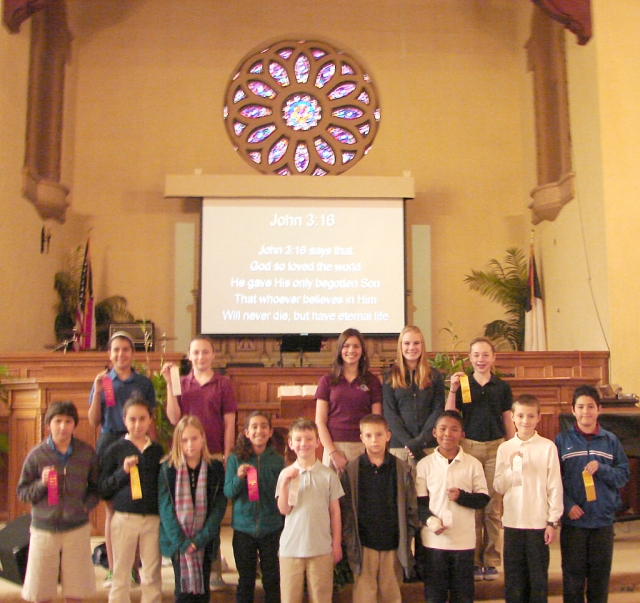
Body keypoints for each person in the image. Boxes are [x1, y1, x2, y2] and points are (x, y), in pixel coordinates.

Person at [162, 335, 237, 589]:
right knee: (189, 513)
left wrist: (227, 454)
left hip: (213, 456)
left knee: (210, 516)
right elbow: (174, 419)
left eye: (205, 352)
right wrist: (169, 386)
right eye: (196, 353)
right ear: (189, 355)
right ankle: (184, 559)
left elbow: (229, 422)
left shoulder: (223, 384)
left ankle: (213, 567)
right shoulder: (182, 382)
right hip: (186, 456)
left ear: (213, 355)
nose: (201, 357)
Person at [88, 330, 156, 587]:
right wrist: (96, 391)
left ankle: (134, 568)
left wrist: (152, 449)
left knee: (136, 506)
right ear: (109, 354)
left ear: (133, 353)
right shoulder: (104, 381)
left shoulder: (143, 383)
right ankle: (114, 568)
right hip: (109, 446)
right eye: (115, 350)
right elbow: (94, 421)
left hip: (136, 444)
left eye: (125, 349)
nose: (120, 354)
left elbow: (150, 421)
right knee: (112, 510)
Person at [445, 336, 514, 580]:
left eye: (486, 355)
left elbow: (507, 418)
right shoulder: (464, 384)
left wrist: (512, 446)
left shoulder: (502, 387)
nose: (481, 359)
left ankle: (492, 559)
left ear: (493, 358)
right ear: (470, 358)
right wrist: (452, 390)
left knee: (493, 508)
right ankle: (473, 560)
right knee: (473, 506)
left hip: (496, 448)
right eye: (476, 355)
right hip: (470, 448)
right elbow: (451, 414)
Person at [17, 401, 100, 603]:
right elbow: (22, 492)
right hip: (44, 529)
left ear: (74, 425)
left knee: (75, 591)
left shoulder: (86, 452)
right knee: (42, 592)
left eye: (68, 421)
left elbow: (96, 488)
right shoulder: (37, 455)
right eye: (58, 421)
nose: (63, 426)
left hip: (76, 528)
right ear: (48, 424)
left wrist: (85, 507)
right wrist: (41, 484)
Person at [555, 384, 630, 603]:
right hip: (574, 522)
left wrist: (603, 469)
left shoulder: (610, 441)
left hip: (602, 521)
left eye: (590, 407)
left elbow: (623, 474)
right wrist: (567, 505)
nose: (585, 412)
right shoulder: (562, 441)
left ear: (599, 410)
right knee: (573, 579)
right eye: (580, 407)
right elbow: (554, 480)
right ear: (573, 410)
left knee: (599, 580)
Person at [340, 414, 420, 603]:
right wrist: (350, 538)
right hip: (364, 544)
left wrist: (406, 534)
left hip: (392, 542)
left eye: (378, 434)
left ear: (388, 435)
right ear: (361, 438)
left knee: (390, 593)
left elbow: (411, 508)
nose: (374, 440)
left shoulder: (402, 469)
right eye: (368, 436)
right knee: (364, 594)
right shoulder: (352, 471)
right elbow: (346, 511)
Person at [493, 394, 563, 603]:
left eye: (530, 416)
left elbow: (554, 486)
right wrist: (512, 468)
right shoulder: (505, 448)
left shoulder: (547, 447)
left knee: (538, 578)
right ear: (512, 417)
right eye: (521, 415)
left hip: (538, 523)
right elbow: (499, 486)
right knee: (514, 579)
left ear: (538, 418)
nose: (525, 421)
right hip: (513, 523)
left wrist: (552, 522)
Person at [415, 410, 490, 603]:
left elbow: (483, 499)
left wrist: (462, 497)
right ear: (434, 433)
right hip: (433, 541)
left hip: (463, 541)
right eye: (443, 429)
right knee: (434, 594)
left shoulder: (473, 464)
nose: (448, 434)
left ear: (462, 435)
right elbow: (419, 504)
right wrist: (431, 521)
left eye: (454, 429)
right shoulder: (424, 465)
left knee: (463, 594)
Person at [99, 395, 164, 603]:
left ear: (150, 420)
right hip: (125, 518)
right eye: (132, 419)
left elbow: (163, 486)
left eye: (142, 419)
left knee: (152, 574)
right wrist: (122, 472)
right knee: (121, 572)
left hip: (152, 519)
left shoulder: (157, 451)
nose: (137, 424)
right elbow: (103, 487)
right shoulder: (115, 450)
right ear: (124, 420)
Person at [158, 415, 227, 603]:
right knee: (183, 592)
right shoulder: (167, 468)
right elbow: (165, 508)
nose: (190, 445)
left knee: (202, 592)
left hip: (204, 541)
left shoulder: (215, 468)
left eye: (194, 438)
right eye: (184, 440)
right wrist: (182, 542)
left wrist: (199, 540)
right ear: (177, 442)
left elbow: (219, 507)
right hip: (177, 542)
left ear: (203, 438)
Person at [276, 418, 344, 603]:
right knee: (290, 598)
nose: (303, 444)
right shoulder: (286, 474)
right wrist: (284, 485)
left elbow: (335, 512)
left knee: (321, 597)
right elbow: (284, 509)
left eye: (308, 439)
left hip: (320, 548)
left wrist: (336, 543)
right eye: (298, 439)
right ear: (290, 444)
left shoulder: (328, 475)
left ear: (317, 441)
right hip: (291, 548)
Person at [224, 411, 284, 603]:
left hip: (271, 527)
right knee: (246, 579)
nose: (259, 430)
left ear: (270, 431)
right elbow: (228, 492)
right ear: (247, 433)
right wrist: (239, 478)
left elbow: (280, 495)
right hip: (244, 529)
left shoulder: (277, 460)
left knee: (272, 579)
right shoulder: (235, 459)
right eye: (254, 427)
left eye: (264, 426)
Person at [315, 328, 382, 474]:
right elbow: (320, 421)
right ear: (339, 350)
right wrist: (333, 453)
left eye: (356, 346)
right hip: (334, 447)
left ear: (362, 351)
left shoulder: (372, 381)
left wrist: (371, 448)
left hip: (363, 446)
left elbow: (376, 421)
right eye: (346, 346)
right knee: (332, 496)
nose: (351, 350)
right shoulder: (327, 380)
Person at [383, 326, 445, 462]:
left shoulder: (434, 376)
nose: (412, 347)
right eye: (407, 343)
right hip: (400, 448)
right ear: (400, 346)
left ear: (422, 346)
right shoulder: (390, 377)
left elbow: (438, 410)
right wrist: (409, 443)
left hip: (427, 446)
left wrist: (420, 441)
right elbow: (390, 414)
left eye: (416, 343)